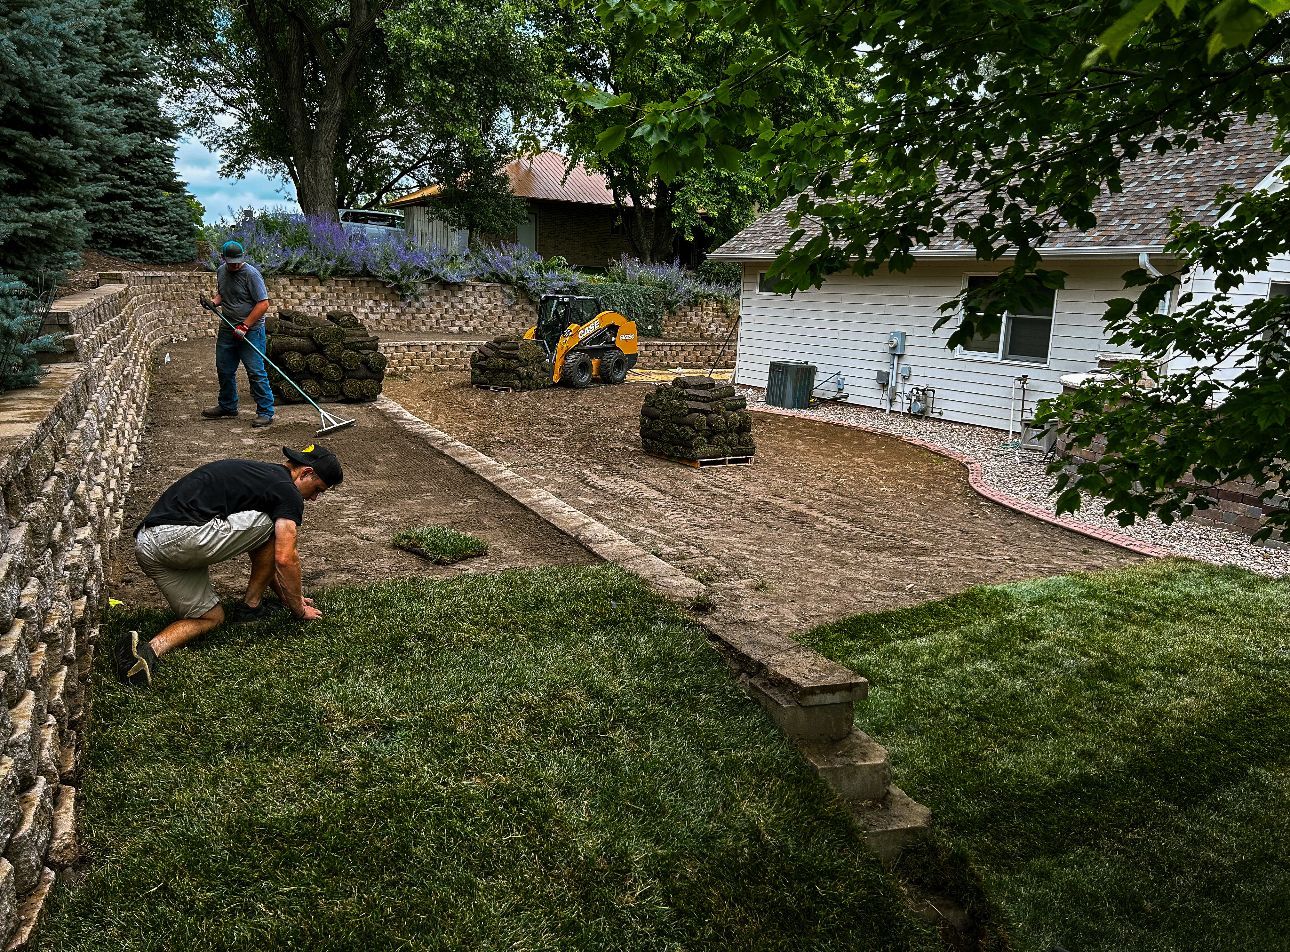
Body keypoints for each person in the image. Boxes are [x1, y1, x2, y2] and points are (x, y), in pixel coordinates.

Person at [116, 444, 343, 688]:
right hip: (178, 537)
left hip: (149, 547)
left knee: (211, 617)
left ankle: (145, 654)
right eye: (317, 489)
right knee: (274, 524)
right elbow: (285, 558)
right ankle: (250, 607)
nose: (314, 498)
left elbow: (268, 553)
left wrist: (286, 596)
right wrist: (298, 608)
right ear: (306, 472)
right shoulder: (286, 491)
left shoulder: (262, 477)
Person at [202, 239, 275, 427]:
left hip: (251, 331)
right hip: (228, 329)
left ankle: (266, 412)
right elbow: (223, 294)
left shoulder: (251, 274)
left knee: (256, 371)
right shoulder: (221, 271)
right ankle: (227, 405)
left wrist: (245, 326)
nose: (235, 265)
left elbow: (263, 304)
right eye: (231, 262)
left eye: (238, 261)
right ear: (223, 259)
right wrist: (214, 302)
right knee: (224, 369)